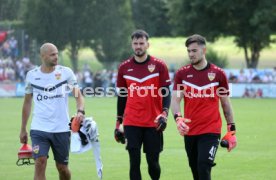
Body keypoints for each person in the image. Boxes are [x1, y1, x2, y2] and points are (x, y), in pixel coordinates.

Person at [171, 34, 237, 180]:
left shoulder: (218, 74)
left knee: (203, 166)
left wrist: (231, 130)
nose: (191, 54)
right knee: (196, 171)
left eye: (194, 51)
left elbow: (225, 104)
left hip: (211, 131)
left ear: (204, 50)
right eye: (188, 51)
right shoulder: (182, 74)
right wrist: (178, 118)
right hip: (190, 131)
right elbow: (175, 100)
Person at [19, 43, 85, 180]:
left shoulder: (66, 72)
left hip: (61, 129)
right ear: (43, 56)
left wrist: (80, 111)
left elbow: (78, 95)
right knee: (40, 162)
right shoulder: (31, 75)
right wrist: (23, 128)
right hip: (39, 128)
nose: (56, 57)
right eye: (52, 54)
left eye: (56, 54)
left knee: (62, 168)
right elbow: (27, 102)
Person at [114, 29, 171, 180]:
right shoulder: (124, 67)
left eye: (141, 43)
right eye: (135, 43)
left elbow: (166, 92)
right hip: (132, 122)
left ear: (147, 45)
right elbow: (122, 97)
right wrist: (118, 122)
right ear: (132, 45)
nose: (138, 46)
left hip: (154, 122)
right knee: (134, 162)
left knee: (153, 163)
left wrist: (164, 114)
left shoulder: (159, 65)